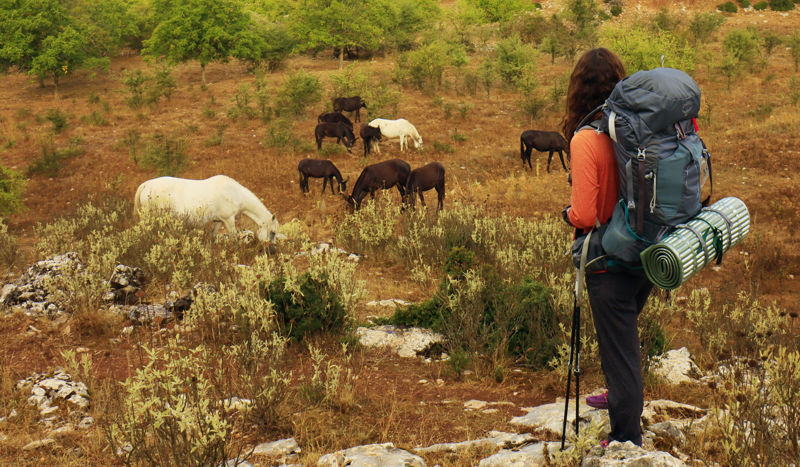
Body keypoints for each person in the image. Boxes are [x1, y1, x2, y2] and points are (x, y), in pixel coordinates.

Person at [559, 48, 653, 446]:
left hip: (606, 261)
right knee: (622, 341)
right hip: (645, 252)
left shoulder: (585, 138)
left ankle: (624, 441)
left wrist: (566, 214)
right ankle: (618, 398)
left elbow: (584, 214)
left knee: (621, 355)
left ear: (577, 89)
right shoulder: (635, 130)